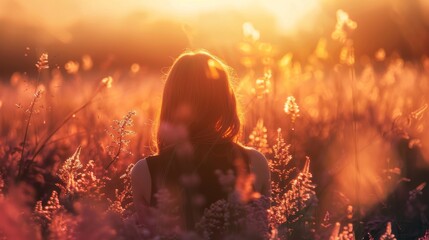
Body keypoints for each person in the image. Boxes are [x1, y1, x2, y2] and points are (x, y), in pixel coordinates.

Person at [131, 50, 270, 234]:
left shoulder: (144, 172)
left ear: (170, 100)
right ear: (226, 100)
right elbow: (263, 232)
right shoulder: (254, 163)